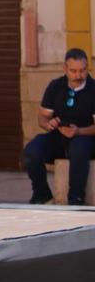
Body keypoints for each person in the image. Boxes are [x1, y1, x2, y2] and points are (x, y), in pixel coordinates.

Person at [23, 48, 95, 205]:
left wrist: (79, 131)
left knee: (79, 148)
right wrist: (49, 124)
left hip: (86, 137)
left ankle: (76, 198)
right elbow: (42, 117)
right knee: (31, 151)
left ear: (87, 68)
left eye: (82, 71)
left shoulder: (93, 89)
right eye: (73, 71)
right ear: (65, 69)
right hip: (59, 135)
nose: (78, 75)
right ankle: (42, 194)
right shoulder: (56, 86)